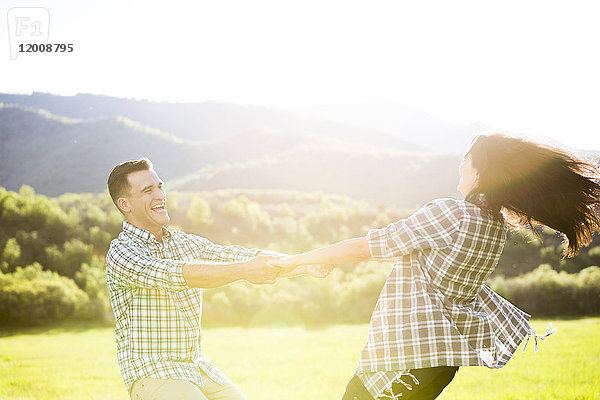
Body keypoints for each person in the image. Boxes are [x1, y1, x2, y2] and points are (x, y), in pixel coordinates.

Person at [271, 133, 600, 400]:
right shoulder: (494, 226)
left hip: (408, 356)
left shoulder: (451, 214)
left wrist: (298, 260)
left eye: (466, 160)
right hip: (440, 359)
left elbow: (368, 246)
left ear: (481, 170)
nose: (461, 165)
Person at [105, 158, 327, 400]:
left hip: (196, 366)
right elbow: (177, 274)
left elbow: (242, 255)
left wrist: (302, 263)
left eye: (160, 186)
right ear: (125, 204)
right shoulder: (122, 253)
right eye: (148, 190)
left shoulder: (185, 242)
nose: (159, 195)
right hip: (153, 371)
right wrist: (243, 270)